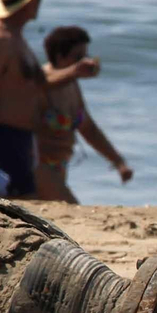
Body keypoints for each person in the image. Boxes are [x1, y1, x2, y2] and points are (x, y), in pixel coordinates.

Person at [0, 0, 96, 198]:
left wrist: (75, 72)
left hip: (22, 140)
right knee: (18, 208)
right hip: (3, 140)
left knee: (24, 206)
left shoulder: (16, 38)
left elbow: (38, 83)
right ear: (27, 2)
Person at [33, 25, 134, 202]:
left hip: (60, 167)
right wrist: (74, 71)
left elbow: (88, 129)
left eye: (86, 56)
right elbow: (41, 84)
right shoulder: (42, 81)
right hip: (36, 167)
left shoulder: (72, 86)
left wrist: (118, 162)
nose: (84, 61)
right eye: (78, 57)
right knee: (72, 210)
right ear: (60, 57)